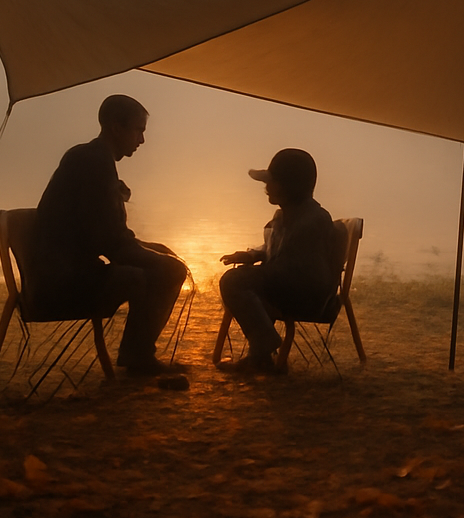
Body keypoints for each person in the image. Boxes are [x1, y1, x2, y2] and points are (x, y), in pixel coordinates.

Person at [25, 94, 188, 377]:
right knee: (168, 270)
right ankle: (138, 356)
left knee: (158, 260)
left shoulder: (92, 158)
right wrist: (154, 257)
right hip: (59, 283)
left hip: (71, 270)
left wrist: (149, 248)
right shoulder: (92, 162)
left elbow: (106, 232)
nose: (141, 140)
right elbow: (108, 242)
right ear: (116, 127)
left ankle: (137, 354)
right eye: (138, 131)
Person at [218, 148, 341, 373]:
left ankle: (263, 349)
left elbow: (297, 268)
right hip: (286, 285)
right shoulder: (283, 216)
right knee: (237, 279)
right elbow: (275, 250)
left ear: (288, 186)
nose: (266, 188)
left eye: (271, 182)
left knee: (234, 281)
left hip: (305, 295)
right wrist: (253, 256)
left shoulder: (314, 220)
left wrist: (257, 274)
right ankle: (261, 353)